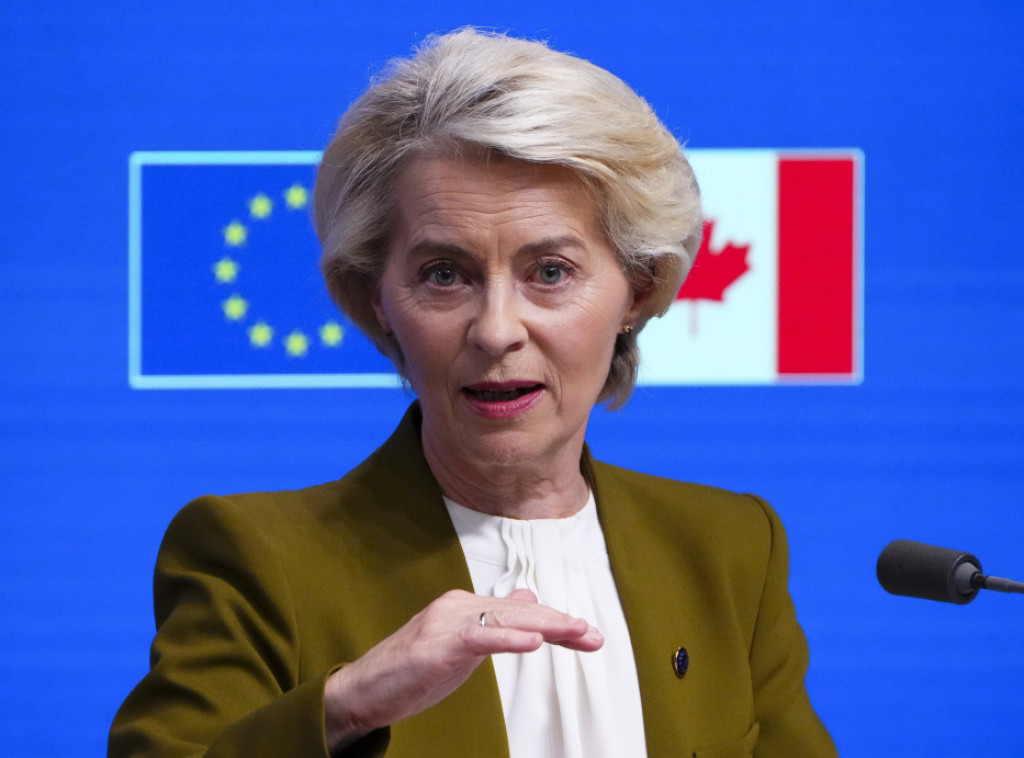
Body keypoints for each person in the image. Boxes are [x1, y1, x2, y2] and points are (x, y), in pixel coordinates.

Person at [110, 28, 837, 758]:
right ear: (377, 300)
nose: (495, 331)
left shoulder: (727, 548)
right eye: (444, 275)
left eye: (549, 272)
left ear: (638, 289)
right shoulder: (259, 557)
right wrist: (345, 705)